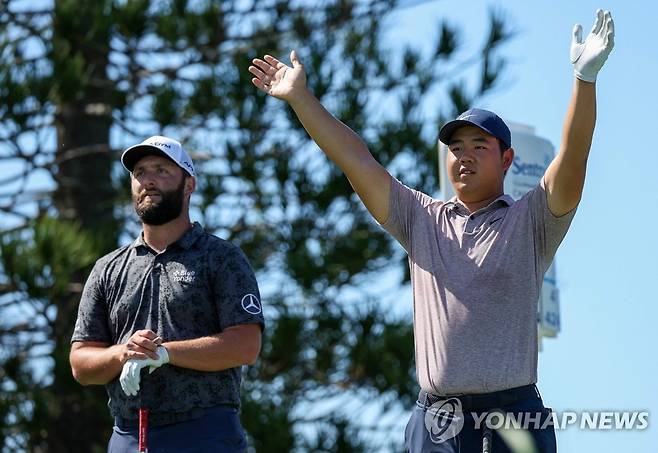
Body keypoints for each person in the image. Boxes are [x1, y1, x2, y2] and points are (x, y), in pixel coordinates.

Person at [249, 9, 613, 453]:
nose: (465, 156)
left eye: (480, 146)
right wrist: (302, 99)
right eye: (456, 148)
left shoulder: (532, 220)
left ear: (507, 160)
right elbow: (356, 160)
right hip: (436, 421)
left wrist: (584, 80)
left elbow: (572, 160)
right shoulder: (422, 218)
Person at [69, 135, 264, 453]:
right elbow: (80, 363)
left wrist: (165, 353)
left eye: (161, 170)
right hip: (127, 436)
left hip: (204, 432)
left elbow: (246, 345)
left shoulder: (221, 257)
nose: (148, 180)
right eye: (140, 172)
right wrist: (125, 354)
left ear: (189, 185)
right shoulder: (107, 268)